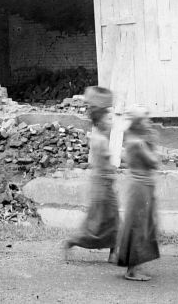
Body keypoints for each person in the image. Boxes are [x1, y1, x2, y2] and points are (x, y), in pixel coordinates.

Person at [63, 86, 119, 263]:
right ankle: (73, 241)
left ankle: (113, 252)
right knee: (99, 224)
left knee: (113, 221)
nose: (111, 122)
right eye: (109, 118)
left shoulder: (100, 136)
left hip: (104, 186)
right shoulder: (100, 139)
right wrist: (111, 172)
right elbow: (103, 166)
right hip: (102, 188)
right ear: (100, 120)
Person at [117, 105, 161, 281]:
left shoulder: (135, 139)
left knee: (143, 225)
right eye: (145, 119)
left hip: (143, 186)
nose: (149, 122)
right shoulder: (138, 142)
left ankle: (135, 266)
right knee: (139, 226)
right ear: (137, 123)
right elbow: (153, 161)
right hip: (140, 187)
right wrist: (154, 144)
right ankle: (132, 270)